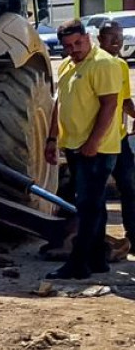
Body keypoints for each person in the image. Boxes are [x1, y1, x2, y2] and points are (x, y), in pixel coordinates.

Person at [46, 19, 125, 278]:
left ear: (87, 37)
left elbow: (110, 105)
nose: (74, 49)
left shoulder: (103, 63)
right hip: (74, 145)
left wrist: (93, 142)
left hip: (97, 149)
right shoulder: (69, 65)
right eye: (68, 46)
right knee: (95, 205)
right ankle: (97, 259)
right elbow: (61, 103)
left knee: (87, 206)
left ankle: (78, 263)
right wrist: (52, 139)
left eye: (78, 43)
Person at [98, 20, 135, 242]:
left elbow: (125, 102)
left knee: (130, 187)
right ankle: (97, 240)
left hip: (118, 139)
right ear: (100, 38)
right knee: (96, 194)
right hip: (98, 142)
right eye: (111, 36)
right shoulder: (91, 64)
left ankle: (133, 237)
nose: (117, 41)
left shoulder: (120, 65)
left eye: (120, 36)